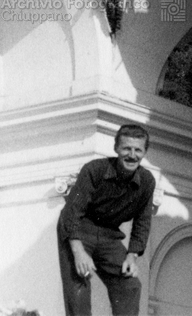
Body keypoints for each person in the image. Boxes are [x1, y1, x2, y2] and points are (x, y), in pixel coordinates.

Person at [57, 124, 156, 316]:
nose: (132, 155)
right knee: (80, 282)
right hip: (78, 229)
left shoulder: (147, 181)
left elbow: (143, 222)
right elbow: (72, 213)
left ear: (144, 152)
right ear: (116, 148)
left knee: (130, 285)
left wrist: (131, 256)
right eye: (127, 148)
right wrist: (78, 252)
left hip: (109, 235)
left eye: (138, 150)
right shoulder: (95, 170)